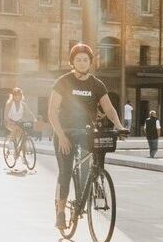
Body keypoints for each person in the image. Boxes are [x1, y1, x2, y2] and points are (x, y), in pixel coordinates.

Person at [47, 43, 119, 230]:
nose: (81, 62)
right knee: (66, 171)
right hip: (65, 133)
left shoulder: (96, 84)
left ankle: (95, 180)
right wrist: (60, 135)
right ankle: (61, 212)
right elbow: (52, 112)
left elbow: (109, 108)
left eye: (85, 59)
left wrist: (119, 126)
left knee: (97, 154)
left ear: (90, 62)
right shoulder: (63, 82)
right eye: (78, 59)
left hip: (86, 131)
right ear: (72, 62)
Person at [3, 85, 31, 158]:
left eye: (19, 95)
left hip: (18, 122)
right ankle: (10, 146)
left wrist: (34, 119)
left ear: (21, 96)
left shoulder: (23, 104)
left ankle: (22, 155)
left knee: (24, 135)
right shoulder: (9, 103)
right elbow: (5, 115)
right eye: (15, 95)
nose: (17, 97)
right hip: (9, 122)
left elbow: (29, 113)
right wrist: (9, 121)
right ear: (13, 96)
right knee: (15, 129)